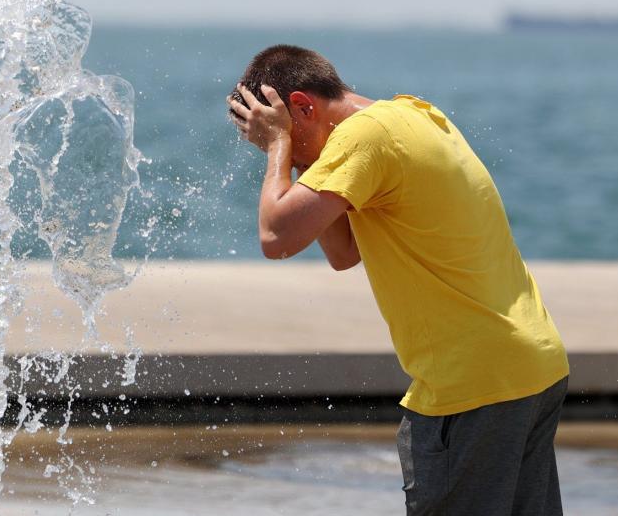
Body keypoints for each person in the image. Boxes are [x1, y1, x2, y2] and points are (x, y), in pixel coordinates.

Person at [227, 44, 570, 515]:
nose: (277, 153)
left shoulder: (364, 139)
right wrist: (301, 154)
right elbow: (344, 253)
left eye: (280, 130)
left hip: (472, 386)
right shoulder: (412, 116)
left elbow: (276, 236)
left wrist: (278, 148)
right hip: (530, 366)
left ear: (303, 106)